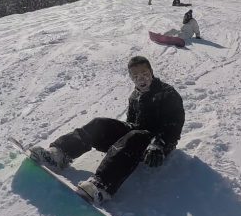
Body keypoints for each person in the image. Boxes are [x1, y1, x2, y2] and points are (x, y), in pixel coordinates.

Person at [29, 56, 185, 204]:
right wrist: (120, 136)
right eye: (136, 76)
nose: (141, 78)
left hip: (157, 147)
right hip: (136, 138)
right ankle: (59, 154)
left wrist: (158, 143)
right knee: (100, 124)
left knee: (136, 136)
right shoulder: (134, 96)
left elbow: (175, 125)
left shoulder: (167, 93)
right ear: (131, 78)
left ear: (152, 72)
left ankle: (101, 186)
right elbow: (131, 122)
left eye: (145, 73)